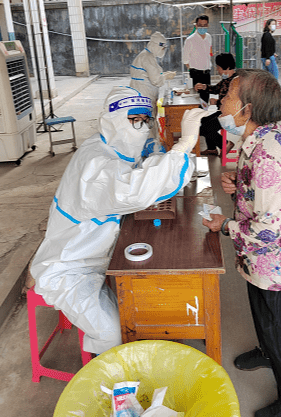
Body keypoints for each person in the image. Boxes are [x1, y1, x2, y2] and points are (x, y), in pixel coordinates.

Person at [30, 86, 206, 355]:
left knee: (148, 301)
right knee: (112, 332)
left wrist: (165, 154)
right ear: (111, 119)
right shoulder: (93, 163)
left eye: (146, 120)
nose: (142, 126)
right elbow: (132, 190)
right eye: (134, 119)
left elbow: (143, 161)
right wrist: (182, 147)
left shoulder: (114, 146)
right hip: (70, 267)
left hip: (103, 256)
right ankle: (112, 384)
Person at [202, 69, 281, 417]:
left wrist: (225, 225)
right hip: (261, 257)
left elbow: (269, 231)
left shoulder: (264, 154)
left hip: (277, 259)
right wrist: (242, 184)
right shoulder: (263, 137)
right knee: (261, 313)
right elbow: (272, 192)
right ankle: (266, 352)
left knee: (278, 330)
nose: (222, 100)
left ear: (247, 110)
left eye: (229, 95)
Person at [194, 52, 237, 156]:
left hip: (232, 115)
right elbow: (216, 88)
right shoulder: (226, 80)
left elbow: (234, 103)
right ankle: (212, 149)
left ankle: (226, 144)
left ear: (226, 67)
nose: (217, 70)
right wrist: (204, 86)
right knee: (202, 121)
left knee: (205, 128)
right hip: (223, 112)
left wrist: (217, 102)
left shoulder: (236, 82)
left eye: (218, 68)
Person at [130, 31, 176, 106]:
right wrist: (166, 76)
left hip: (140, 93)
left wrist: (164, 74)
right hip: (144, 95)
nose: (163, 50)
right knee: (146, 116)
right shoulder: (147, 58)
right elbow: (156, 80)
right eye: (162, 48)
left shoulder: (146, 55)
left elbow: (149, 74)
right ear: (156, 46)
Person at [183, 14, 212, 103]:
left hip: (207, 73)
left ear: (208, 25)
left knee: (206, 99)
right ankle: (197, 116)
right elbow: (185, 59)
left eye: (204, 25)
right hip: (196, 74)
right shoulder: (190, 40)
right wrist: (194, 71)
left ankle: (204, 115)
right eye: (200, 25)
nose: (202, 27)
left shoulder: (209, 37)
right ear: (196, 25)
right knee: (196, 100)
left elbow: (209, 53)